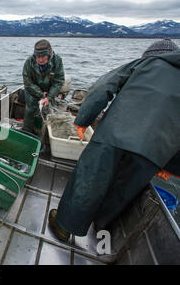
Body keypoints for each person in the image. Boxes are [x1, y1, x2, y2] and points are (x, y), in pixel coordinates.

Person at [48, 38, 180, 243]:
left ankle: (65, 227)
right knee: (123, 190)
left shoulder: (144, 63)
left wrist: (84, 119)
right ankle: (100, 226)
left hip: (114, 135)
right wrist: (171, 166)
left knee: (89, 179)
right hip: (153, 153)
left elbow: (103, 86)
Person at [22, 39, 65, 134]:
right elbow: (27, 81)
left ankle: (45, 135)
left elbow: (59, 81)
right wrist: (40, 94)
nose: (40, 60)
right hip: (32, 90)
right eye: (37, 56)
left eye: (43, 56)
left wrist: (48, 97)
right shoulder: (29, 62)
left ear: (49, 54)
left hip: (49, 91)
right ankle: (26, 132)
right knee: (30, 111)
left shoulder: (57, 61)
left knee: (49, 112)